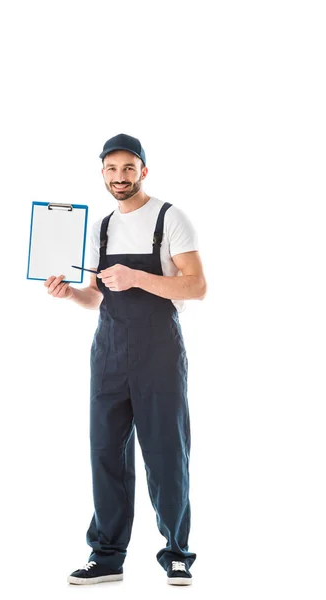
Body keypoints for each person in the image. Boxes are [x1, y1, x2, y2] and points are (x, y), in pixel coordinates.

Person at [44, 133, 207, 586]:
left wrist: (137, 276)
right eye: (112, 169)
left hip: (159, 351)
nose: (120, 177)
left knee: (166, 453)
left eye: (129, 169)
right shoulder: (100, 227)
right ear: (102, 173)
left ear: (144, 171)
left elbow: (196, 286)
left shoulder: (170, 219)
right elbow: (95, 298)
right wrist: (69, 293)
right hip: (109, 351)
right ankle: (107, 556)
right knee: (105, 453)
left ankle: (177, 553)